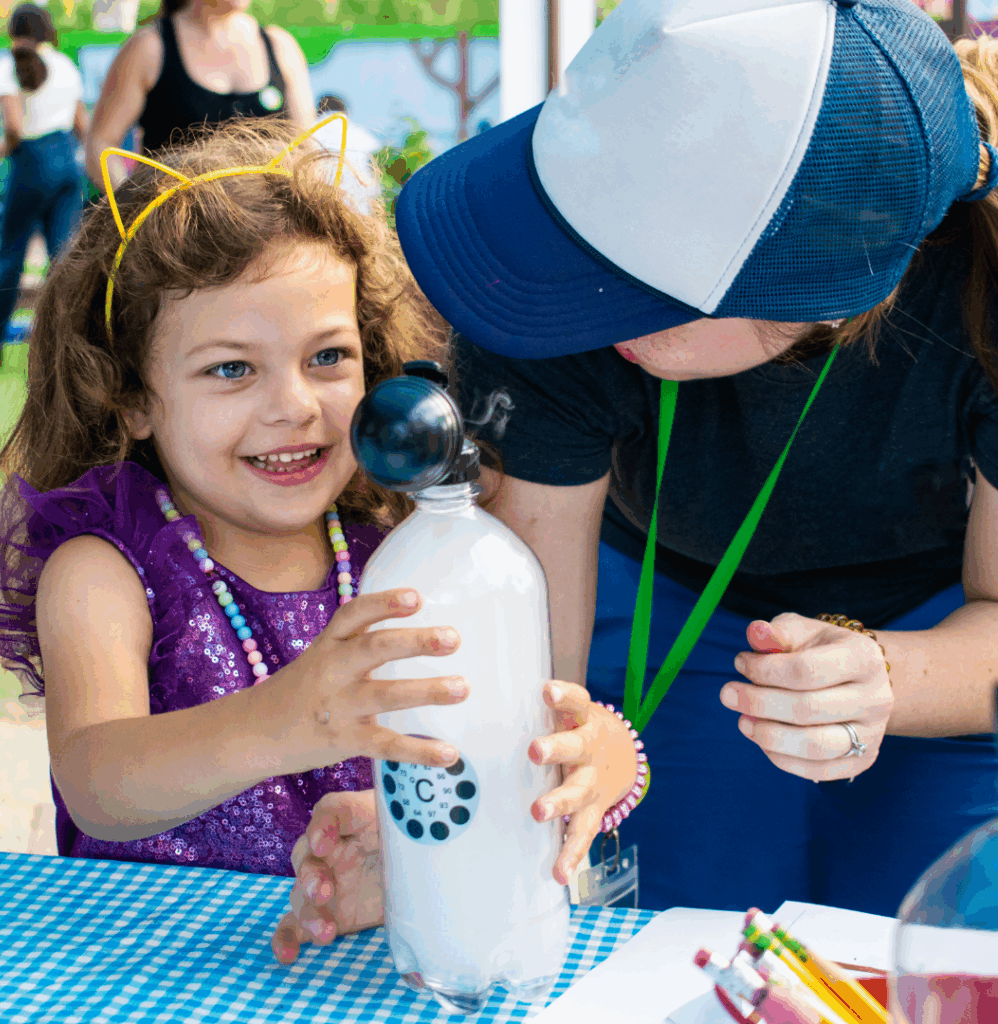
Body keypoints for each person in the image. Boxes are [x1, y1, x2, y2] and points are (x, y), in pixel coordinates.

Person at [278, 0, 998, 940]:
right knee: (680, 933)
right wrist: (448, 843)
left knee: (932, 938)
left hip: (947, 628)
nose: (571, 291)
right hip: (669, 588)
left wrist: (887, 679)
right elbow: (532, 678)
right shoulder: (539, 267)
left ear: (819, 289)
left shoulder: (979, 284)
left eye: (635, 273)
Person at [0, 119, 630, 950]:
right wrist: (282, 719)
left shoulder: (402, 550)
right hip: (156, 964)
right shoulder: (108, 568)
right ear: (131, 399)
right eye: (231, 369)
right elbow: (98, 781)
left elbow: (501, 742)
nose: (294, 405)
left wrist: (603, 758)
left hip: (368, 960)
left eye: (327, 357)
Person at [85, 0, 316, 190]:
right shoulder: (150, 48)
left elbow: (307, 148)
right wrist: (136, 209)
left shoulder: (280, 46)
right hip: (179, 236)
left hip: (268, 229)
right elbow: (100, 143)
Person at [0, 4, 87, 370]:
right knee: (64, 260)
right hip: (67, 161)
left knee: (10, 256)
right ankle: (72, 347)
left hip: (31, 163)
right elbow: (81, 123)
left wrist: (1, 148)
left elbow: (15, 129)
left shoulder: (9, 66)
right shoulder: (67, 67)